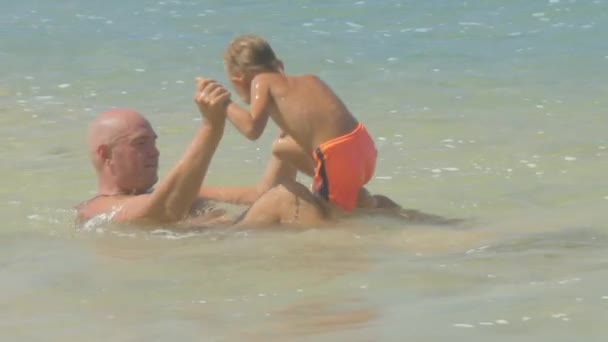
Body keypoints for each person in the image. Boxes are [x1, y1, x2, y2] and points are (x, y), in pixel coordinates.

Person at [76, 77, 328, 228]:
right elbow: (163, 212)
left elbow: (261, 196)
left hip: (238, 240)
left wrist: (287, 130)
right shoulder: (96, 210)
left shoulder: (188, 194)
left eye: (154, 142)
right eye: (141, 144)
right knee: (288, 198)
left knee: (330, 196)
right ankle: (340, 270)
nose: (155, 152)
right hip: (226, 259)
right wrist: (212, 127)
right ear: (106, 155)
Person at [220, 34, 377, 212]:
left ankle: (357, 202)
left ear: (238, 80)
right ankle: (354, 193)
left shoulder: (260, 80)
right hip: (363, 146)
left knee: (333, 219)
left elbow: (251, 129)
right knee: (281, 147)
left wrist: (224, 103)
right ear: (279, 64)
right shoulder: (310, 79)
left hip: (336, 155)